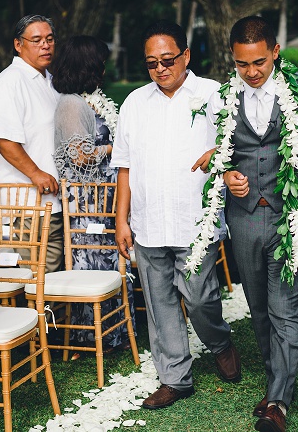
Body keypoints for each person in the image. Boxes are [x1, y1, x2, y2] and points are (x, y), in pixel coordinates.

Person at [203, 16, 298, 432]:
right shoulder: (221, 99)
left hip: (291, 213)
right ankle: (276, 378)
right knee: (258, 306)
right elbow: (215, 157)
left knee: (285, 307)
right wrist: (226, 176)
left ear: (275, 52)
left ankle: (279, 398)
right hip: (243, 219)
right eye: (243, 64)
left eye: (259, 62)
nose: (252, 71)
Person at [112, 20, 240, 410]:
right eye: (152, 63)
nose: (160, 69)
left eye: (168, 59)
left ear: (186, 55)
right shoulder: (135, 102)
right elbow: (125, 165)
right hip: (148, 222)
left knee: (200, 298)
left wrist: (220, 153)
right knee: (160, 302)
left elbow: (236, 147)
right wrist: (121, 218)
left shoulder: (214, 95)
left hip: (194, 222)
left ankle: (218, 341)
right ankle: (175, 378)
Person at [52, 35, 133, 353]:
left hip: (102, 197)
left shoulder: (89, 98)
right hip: (86, 203)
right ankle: (94, 334)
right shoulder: (71, 103)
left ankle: (113, 331)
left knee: (109, 261)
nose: (104, 67)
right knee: (93, 264)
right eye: (99, 62)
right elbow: (80, 154)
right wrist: (119, 148)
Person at [0, 14, 64, 272]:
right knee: (33, 279)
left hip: (50, 202)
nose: (46, 45)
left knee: (50, 278)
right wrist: (36, 173)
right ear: (18, 45)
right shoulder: (10, 83)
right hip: (24, 205)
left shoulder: (49, 81)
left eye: (50, 39)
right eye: (37, 40)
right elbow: (3, 139)